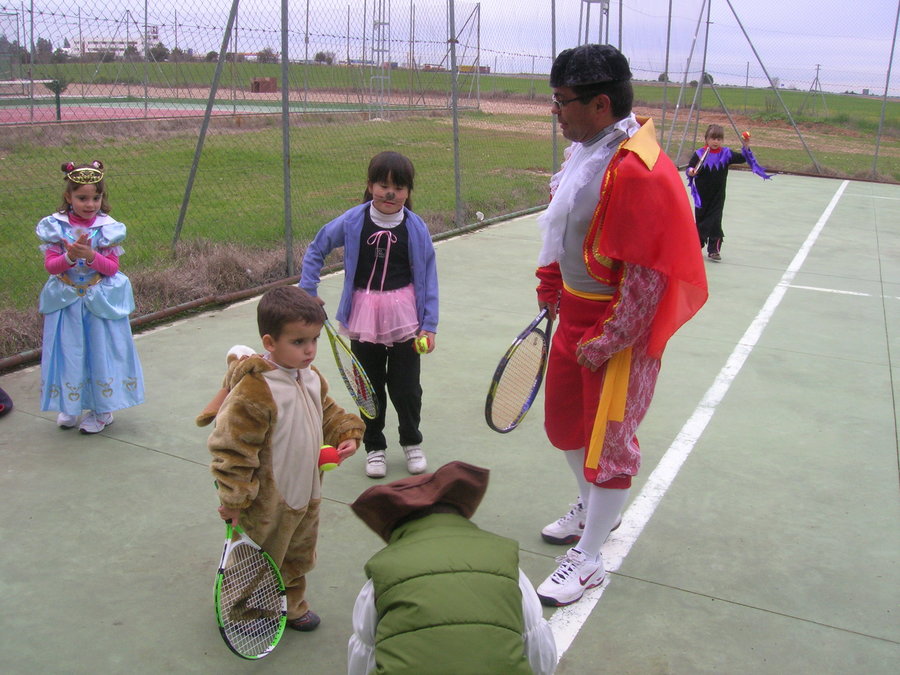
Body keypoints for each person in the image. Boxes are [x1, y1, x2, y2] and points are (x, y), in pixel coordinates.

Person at [533, 44, 708, 606]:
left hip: (615, 333)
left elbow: (648, 277)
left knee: (608, 441)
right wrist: (552, 290)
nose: (555, 112)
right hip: (575, 318)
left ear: (600, 104)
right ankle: (592, 510)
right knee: (565, 425)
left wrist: (607, 339)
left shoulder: (637, 169)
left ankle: (589, 559)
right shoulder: (587, 153)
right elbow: (563, 231)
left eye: (562, 101)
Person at [197, 285, 365, 632]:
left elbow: (328, 413)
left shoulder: (310, 376)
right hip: (265, 500)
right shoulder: (256, 389)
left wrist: (346, 433)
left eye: (314, 339)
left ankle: (291, 603)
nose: (310, 350)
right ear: (270, 342)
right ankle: (244, 610)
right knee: (258, 556)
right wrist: (235, 499)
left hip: (306, 492)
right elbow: (232, 449)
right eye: (298, 341)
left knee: (298, 552)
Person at [300, 151, 439, 480]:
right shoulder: (353, 221)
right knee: (368, 386)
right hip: (362, 317)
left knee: (407, 388)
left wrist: (429, 324)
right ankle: (374, 446)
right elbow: (317, 247)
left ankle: (411, 441)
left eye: (399, 187)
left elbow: (429, 276)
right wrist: (308, 289)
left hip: (406, 320)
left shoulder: (416, 228)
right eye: (383, 185)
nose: (390, 193)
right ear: (369, 185)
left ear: (408, 191)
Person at [347, 461, 557, 675]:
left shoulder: (383, 571)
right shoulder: (502, 560)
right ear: (458, 513)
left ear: (394, 527)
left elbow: (363, 654)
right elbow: (537, 644)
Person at [36, 160, 144, 434]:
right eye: (82, 198)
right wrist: (70, 257)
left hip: (98, 303)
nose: (90, 204)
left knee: (99, 352)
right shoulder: (55, 226)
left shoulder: (107, 228)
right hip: (67, 303)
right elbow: (51, 267)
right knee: (69, 352)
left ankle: (102, 410)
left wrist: (91, 255)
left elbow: (112, 268)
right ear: (68, 197)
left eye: (96, 198)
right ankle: (70, 405)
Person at [686, 123, 771, 262]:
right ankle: (696, 245)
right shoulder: (699, 154)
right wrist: (691, 171)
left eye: (719, 139)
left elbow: (743, 158)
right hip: (701, 197)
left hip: (718, 196)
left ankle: (714, 250)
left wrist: (746, 145)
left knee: (715, 221)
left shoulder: (726, 154)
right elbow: (690, 167)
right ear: (706, 139)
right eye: (713, 138)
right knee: (701, 221)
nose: (716, 141)